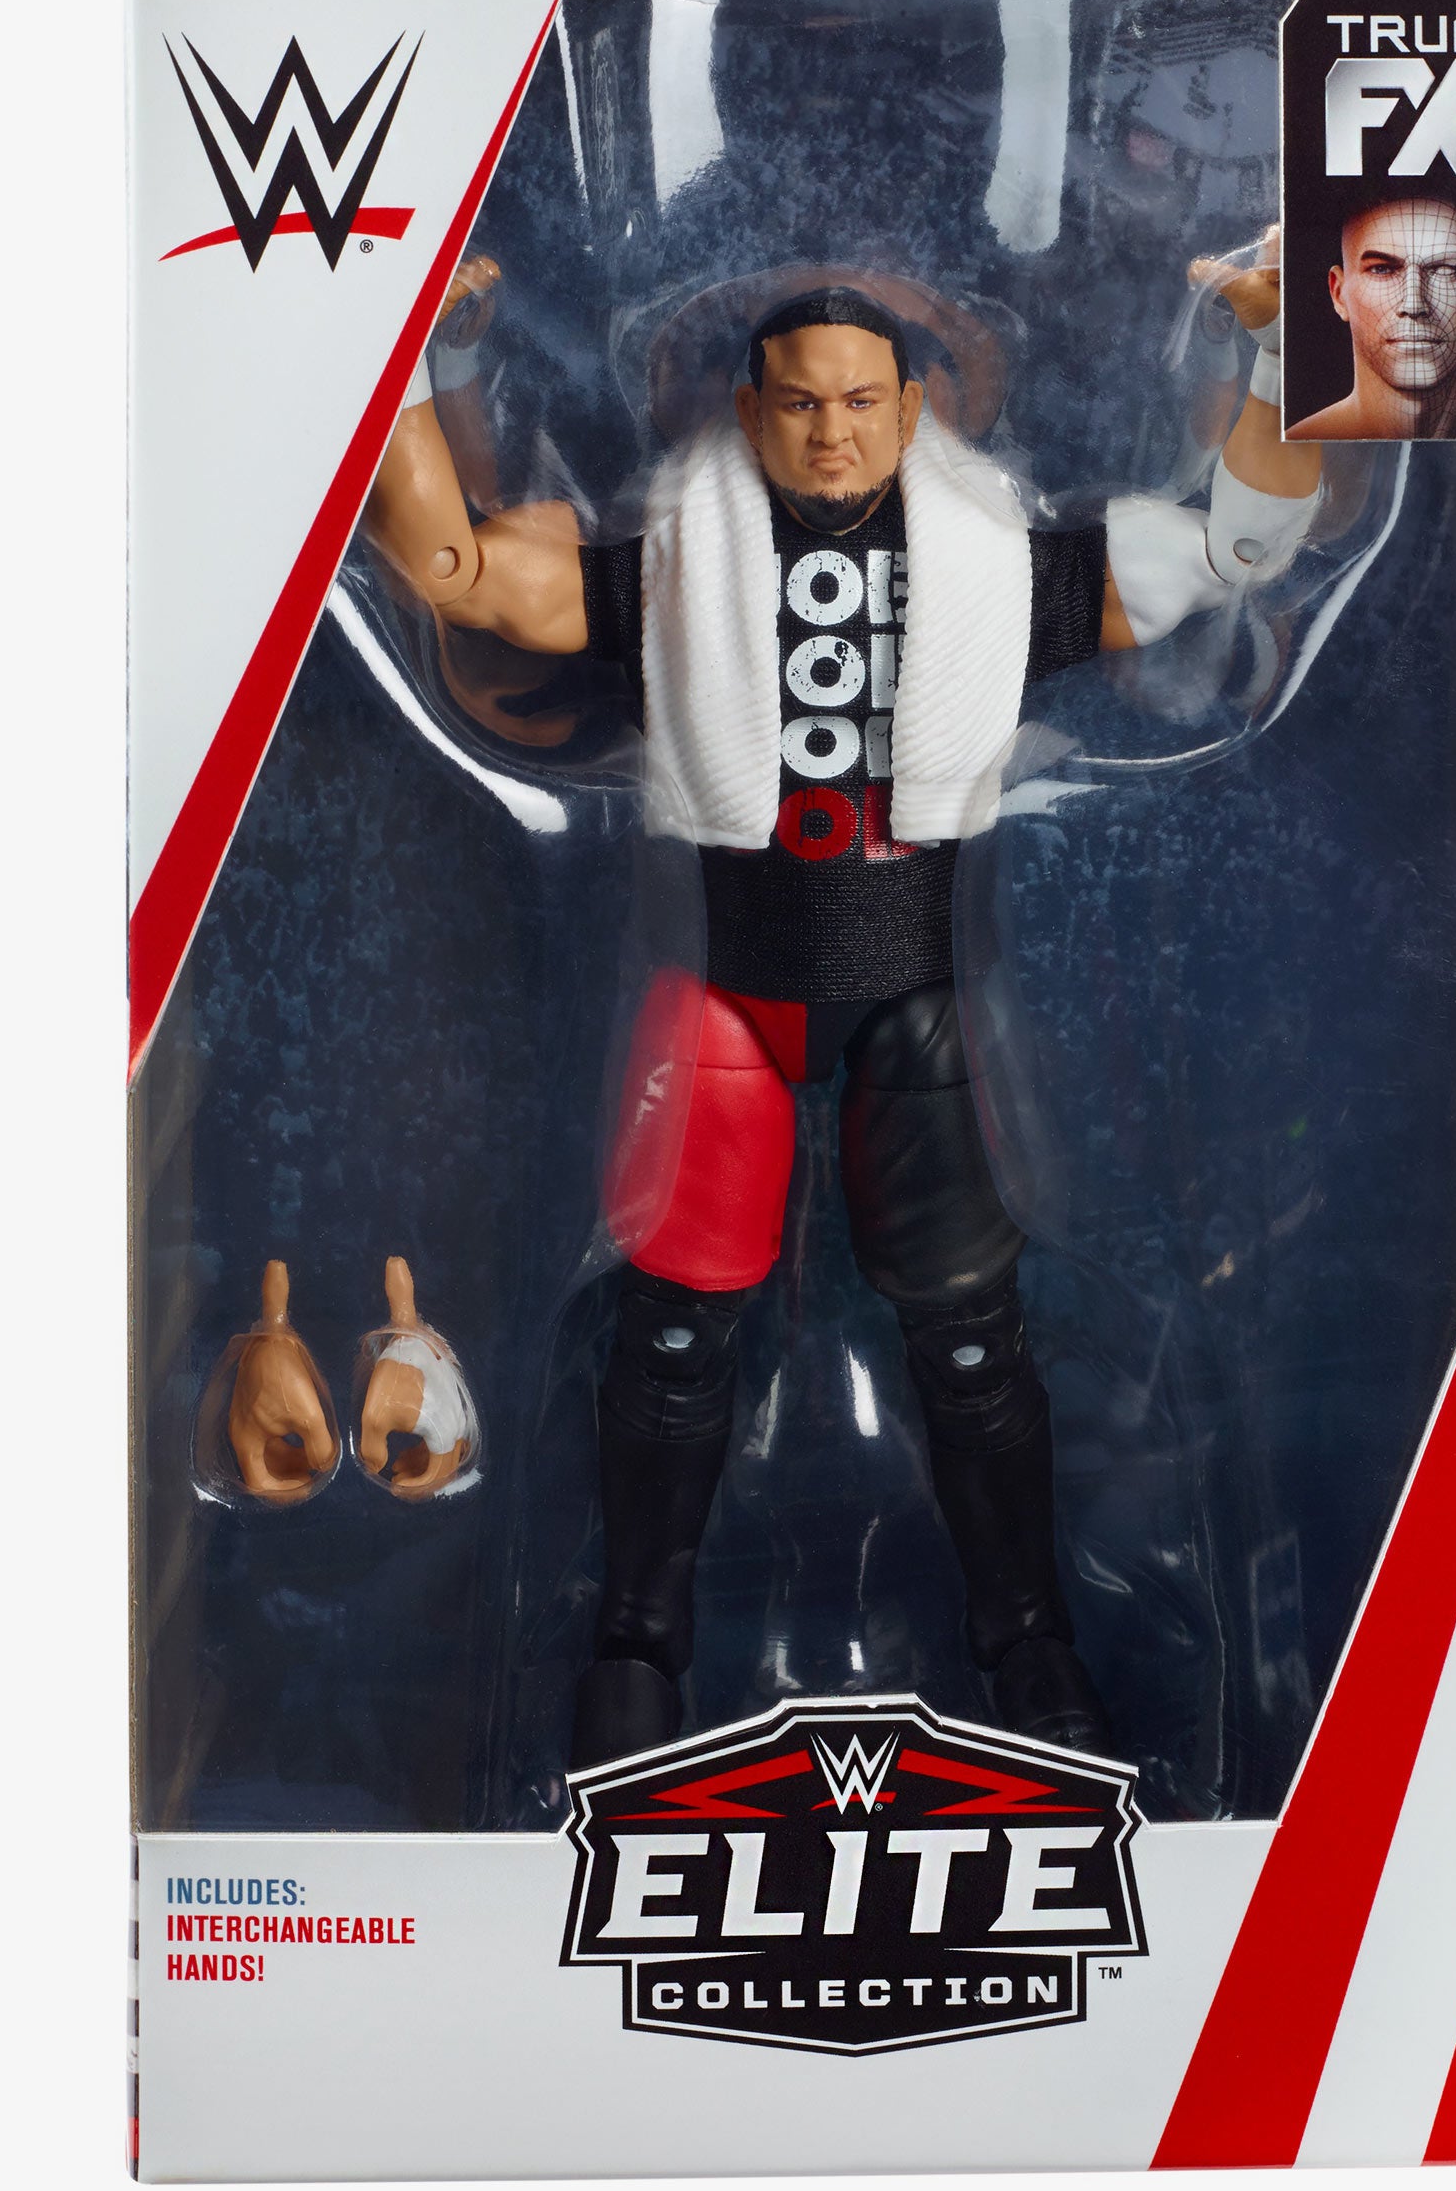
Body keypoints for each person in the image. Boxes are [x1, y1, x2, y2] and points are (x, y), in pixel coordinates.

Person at [355, 263, 1328, 1767]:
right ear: (751, 410)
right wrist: (406, 362)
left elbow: (1238, 545)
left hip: (912, 991)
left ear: (913, 407)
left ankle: (1030, 1644)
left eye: (862, 401)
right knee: (672, 1338)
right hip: (725, 988)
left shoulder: (999, 568)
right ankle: (632, 1653)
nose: (831, 433)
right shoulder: (671, 566)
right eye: (802, 403)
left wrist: (1279, 352)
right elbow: (453, 570)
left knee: (972, 1344)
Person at [1284, 192, 1456, 442]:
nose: (1414, 304)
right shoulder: (1295, 448)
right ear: (1339, 294)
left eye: (1446, 270)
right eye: (1381, 269)